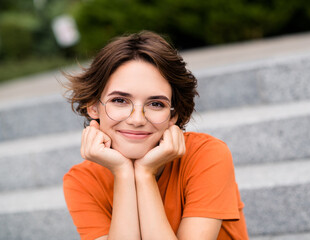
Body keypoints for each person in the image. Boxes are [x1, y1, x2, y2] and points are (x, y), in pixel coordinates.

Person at [63, 31, 249, 240]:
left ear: (173, 116)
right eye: (120, 101)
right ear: (93, 107)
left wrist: (144, 174)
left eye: (156, 104)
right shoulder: (82, 181)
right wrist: (123, 173)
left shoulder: (207, 155)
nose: (137, 119)